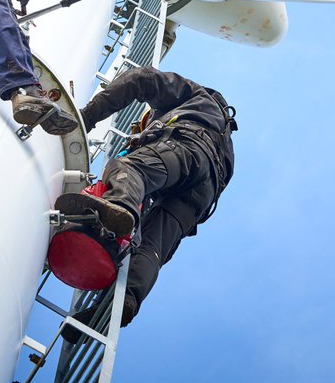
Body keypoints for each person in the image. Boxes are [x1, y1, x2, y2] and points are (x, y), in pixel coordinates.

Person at [44, 67, 237, 336]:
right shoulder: (226, 146)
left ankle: (120, 207)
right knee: (151, 247)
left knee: (127, 169)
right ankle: (124, 302)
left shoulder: (194, 96)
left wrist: (86, 118)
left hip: (185, 148)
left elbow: (142, 78)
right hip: (201, 195)